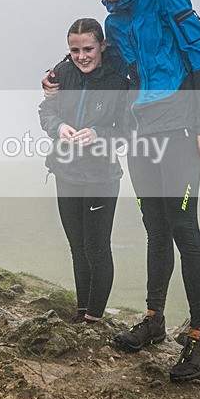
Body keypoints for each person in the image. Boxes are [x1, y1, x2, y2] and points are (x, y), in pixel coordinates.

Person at [45, 0, 200, 382]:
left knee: (184, 227)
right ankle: (154, 318)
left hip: (180, 128)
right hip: (142, 135)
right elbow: (108, 63)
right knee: (156, 227)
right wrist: (55, 71)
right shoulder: (112, 23)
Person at [39, 18, 128, 325]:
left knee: (97, 247)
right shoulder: (63, 73)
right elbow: (46, 111)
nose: (82, 56)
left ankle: (94, 318)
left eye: (88, 48)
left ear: (102, 46)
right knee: (77, 247)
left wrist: (97, 134)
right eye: (75, 50)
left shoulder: (118, 80)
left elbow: (126, 128)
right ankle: (81, 313)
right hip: (65, 173)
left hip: (101, 177)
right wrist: (59, 126)